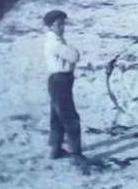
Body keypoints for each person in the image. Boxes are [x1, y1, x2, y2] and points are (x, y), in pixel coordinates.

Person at [42, 10, 90, 173]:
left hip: (59, 81)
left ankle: (55, 149)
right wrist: (73, 51)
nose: (61, 27)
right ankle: (76, 154)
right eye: (58, 24)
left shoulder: (56, 39)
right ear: (50, 26)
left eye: (63, 23)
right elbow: (74, 56)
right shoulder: (55, 43)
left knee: (57, 117)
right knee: (71, 119)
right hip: (60, 81)